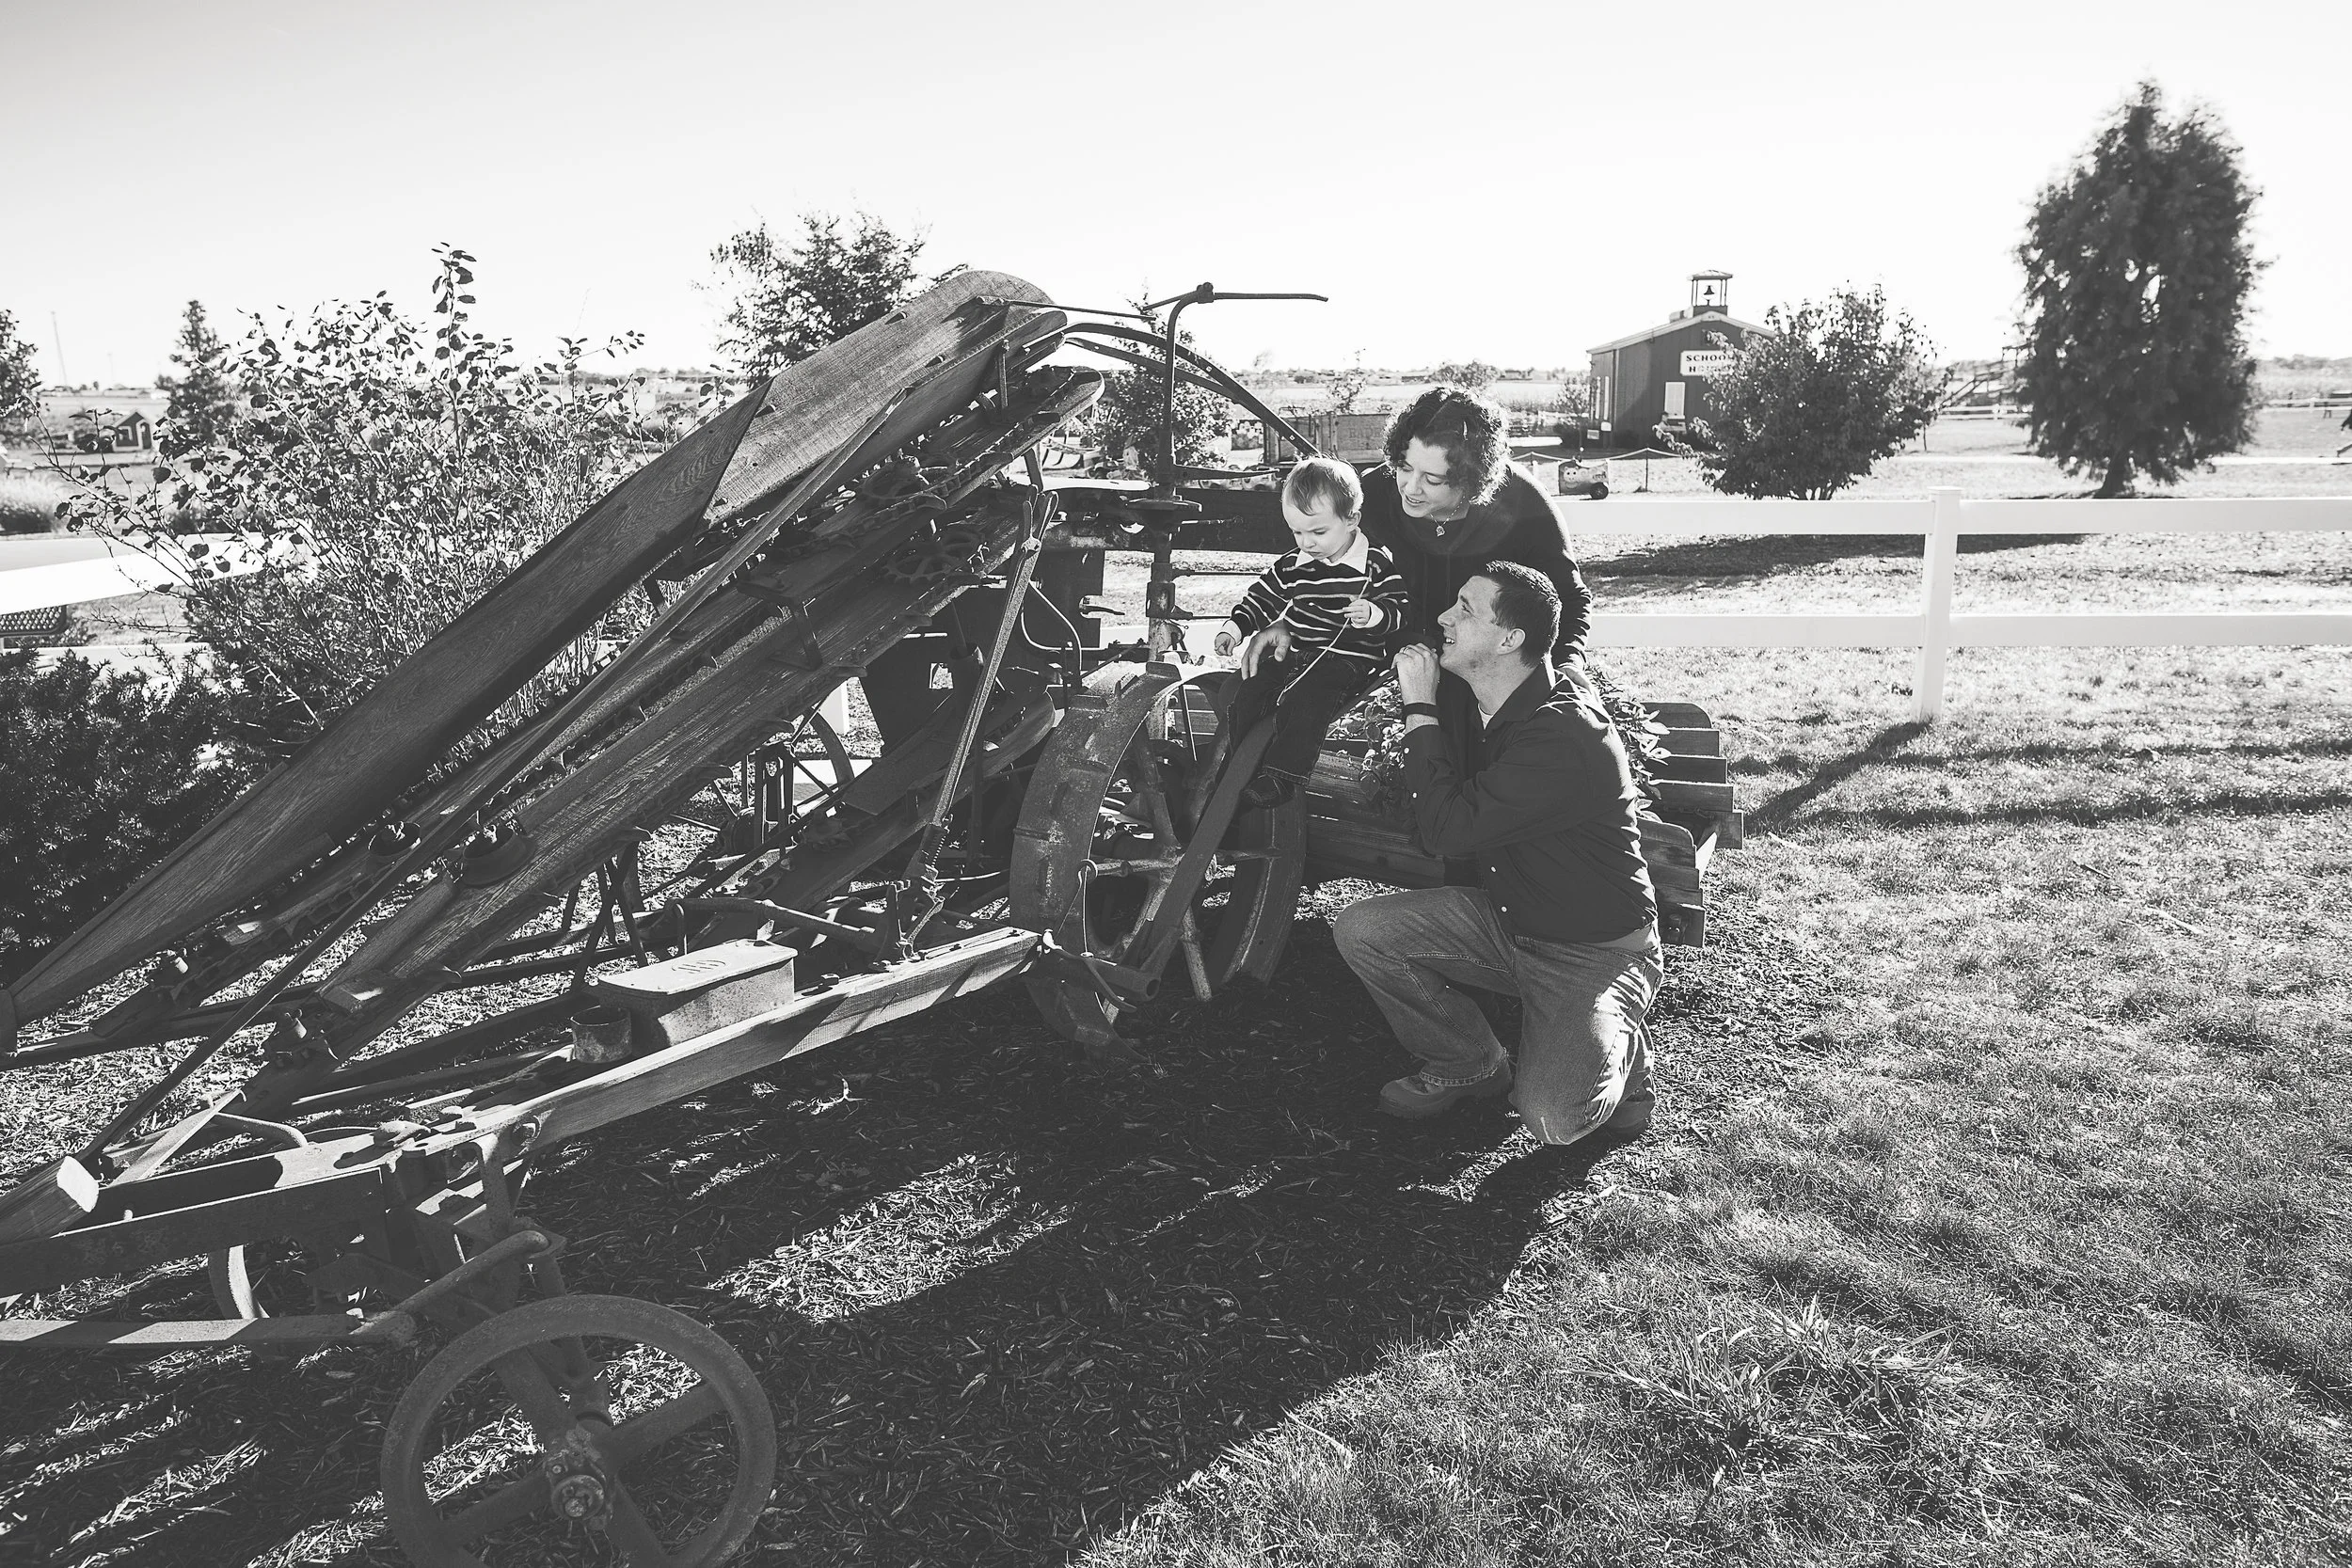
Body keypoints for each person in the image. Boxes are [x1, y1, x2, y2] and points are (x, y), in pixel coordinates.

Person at [1332, 561, 1661, 1147]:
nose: (1443, 617)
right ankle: (1471, 1062)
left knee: (1554, 1121)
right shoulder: (1502, 703)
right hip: (1511, 922)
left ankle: (1623, 1044)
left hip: (1591, 952)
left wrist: (1419, 706)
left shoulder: (1564, 735)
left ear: (1511, 640)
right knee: (1364, 930)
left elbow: (1448, 831)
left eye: (1465, 609)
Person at [1212, 458, 1408, 807]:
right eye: (1297, 532)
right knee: (1252, 688)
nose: (1308, 543)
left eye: (1318, 532)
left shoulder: (1375, 563)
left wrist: (1375, 614)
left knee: (1308, 699)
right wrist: (1236, 628)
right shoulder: (1293, 565)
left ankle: (1282, 777)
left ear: (1352, 520)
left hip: (1349, 660)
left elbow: (1400, 608)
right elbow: (1263, 598)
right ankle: (1239, 763)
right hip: (1299, 651)